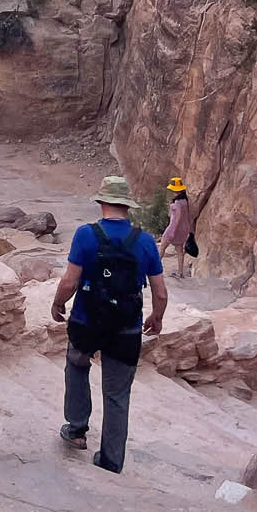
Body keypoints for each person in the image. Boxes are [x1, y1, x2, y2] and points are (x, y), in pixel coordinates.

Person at [51, 174, 167, 474]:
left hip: (86, 322)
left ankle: (76, 431)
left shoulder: (85, 235)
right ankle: (111, 460)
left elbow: (70, 281)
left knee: (76, 366)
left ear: (102, 202)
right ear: (127, 206)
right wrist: (157, 317)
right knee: (117, 393)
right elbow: (160, 291)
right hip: (126, 328)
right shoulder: (144, 241)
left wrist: (57, 303)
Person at [159, 177, 194, 279]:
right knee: (179, 250)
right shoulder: (185, 201)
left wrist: (173, 231)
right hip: (184, 228)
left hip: (174, 228)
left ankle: (154, 269)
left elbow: (177, 217)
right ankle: (180, 272)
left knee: (162, 248)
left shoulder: (177, 203)